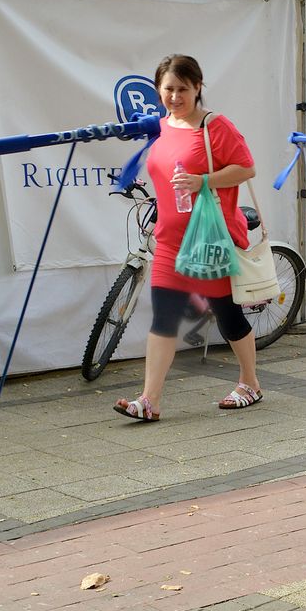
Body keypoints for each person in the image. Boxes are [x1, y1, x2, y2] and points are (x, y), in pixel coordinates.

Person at [113, 54, 263, 422]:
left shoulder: (215, 126)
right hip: (169, 239)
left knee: (227, 315)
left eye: (183, 89)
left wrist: (203, 181)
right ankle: (150, 400)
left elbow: (247, 168)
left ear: (198, 87)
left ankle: (250, 382)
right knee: (164, 317)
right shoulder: (161, 126)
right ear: (158, 90)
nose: (175, 97)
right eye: (168, 89)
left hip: (210, 239)